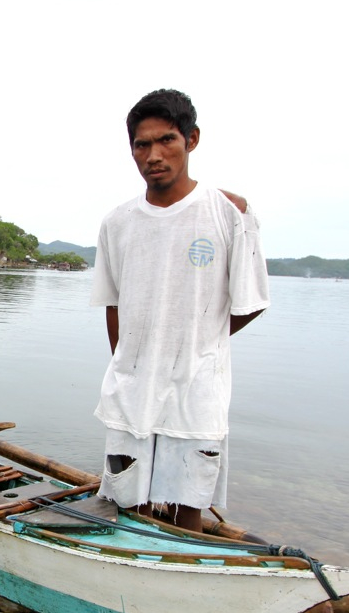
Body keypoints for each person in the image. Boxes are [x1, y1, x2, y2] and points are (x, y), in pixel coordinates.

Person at [89, 89, 270, 532]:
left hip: (197, 387)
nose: (154, 155)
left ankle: (180, 569)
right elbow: (113, 304)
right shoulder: (117, 223)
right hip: (131, 389)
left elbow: (251, 303)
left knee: (188, 501)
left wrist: (198, 341)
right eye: (141, 144)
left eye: (166, 140)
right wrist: (127, 364)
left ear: (192, 139)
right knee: (129, 499)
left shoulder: (230, 214)